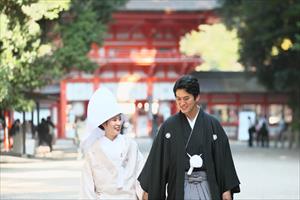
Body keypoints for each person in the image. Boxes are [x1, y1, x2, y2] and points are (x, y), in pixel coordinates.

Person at [138, 75, 240, 200]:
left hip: (207, 187)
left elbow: (223, 160)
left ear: (197, 97)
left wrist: (226, 190)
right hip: (179, 188)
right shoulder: (169, 126)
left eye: (186, 98)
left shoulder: (212, 125)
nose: (182, 103)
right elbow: (157, 160)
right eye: (178, 99)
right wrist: (149, 189)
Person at [80, 87, 144, 199]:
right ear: (104, 124)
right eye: (114, 120)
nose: (118, 123)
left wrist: (143, 194)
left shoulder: (130, 145)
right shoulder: (93, 151)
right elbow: (87, 185)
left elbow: (141, 172)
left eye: (119, 119)